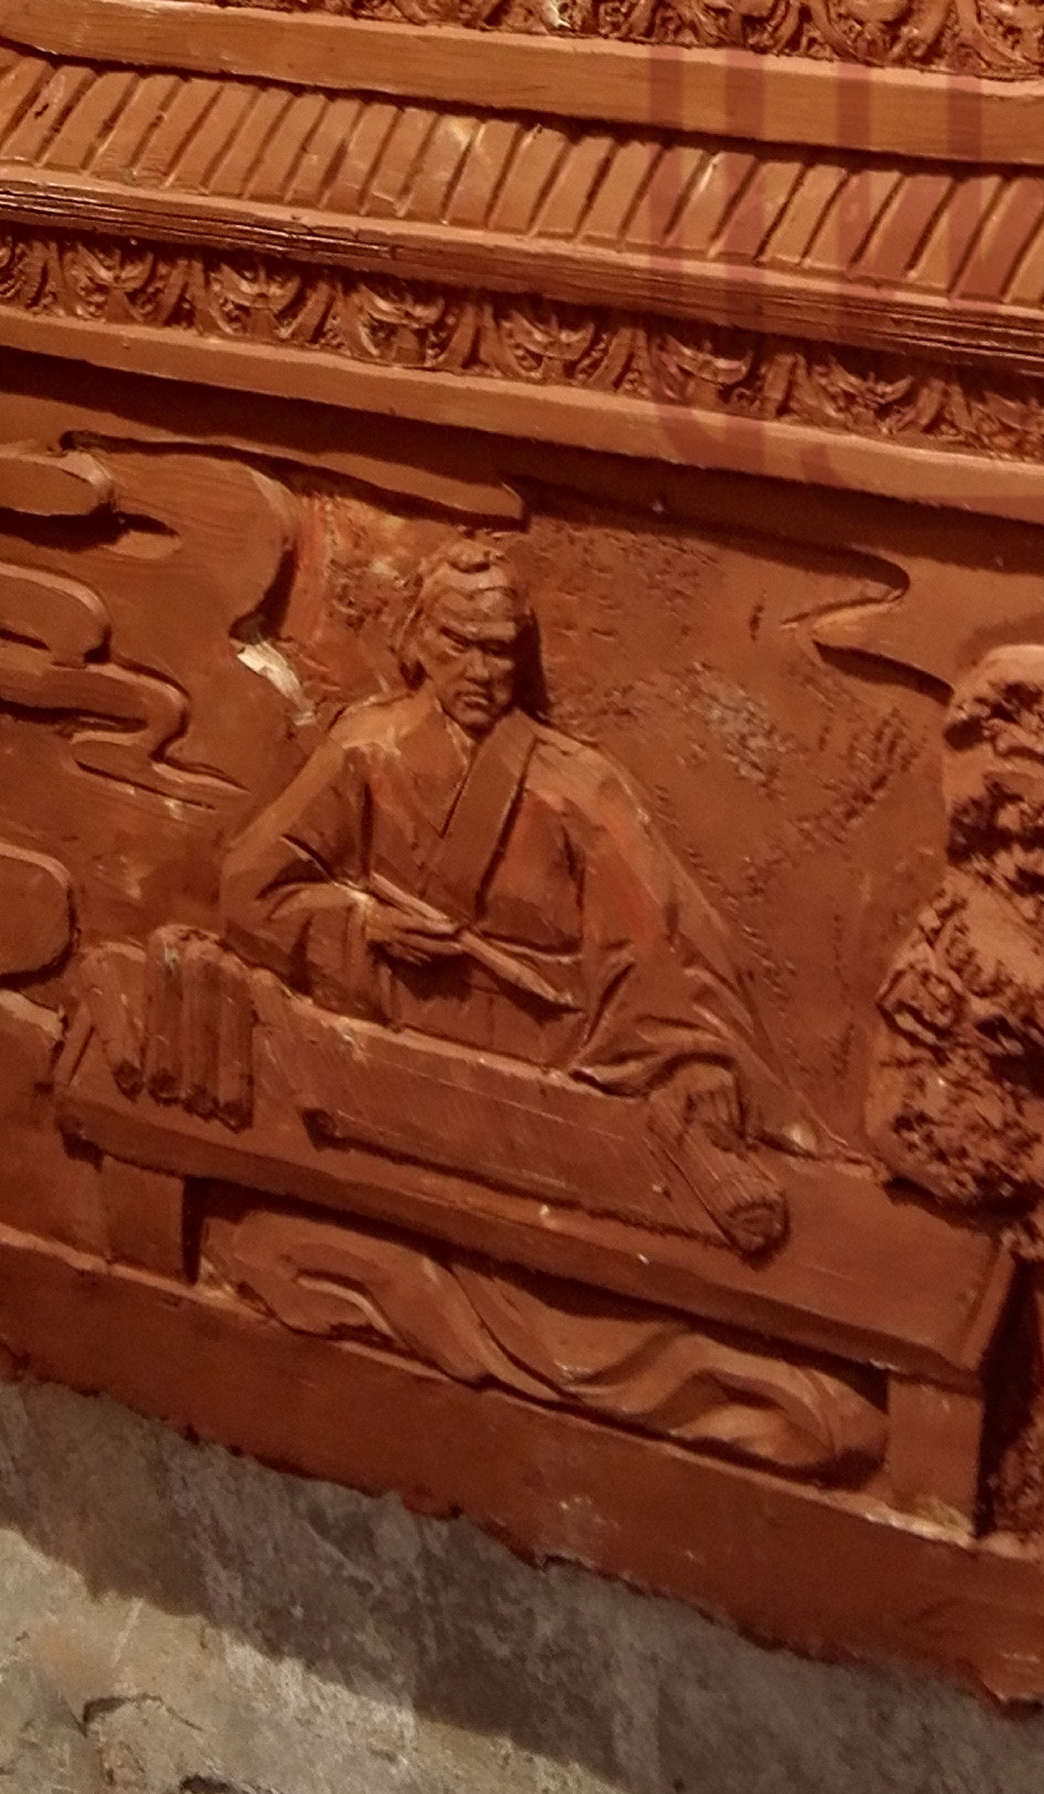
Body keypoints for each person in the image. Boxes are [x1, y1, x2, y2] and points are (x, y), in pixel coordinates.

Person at [217, 537, 795, 1255]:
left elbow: (653, 954)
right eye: (457, 644)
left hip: (544, 1062)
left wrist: (685, 1061)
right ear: (415, 641)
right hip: (389, 1049)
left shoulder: (579, 785)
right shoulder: (365, 752)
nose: (480, 672)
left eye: (498, 650)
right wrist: (363, 924)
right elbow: (249, 889)